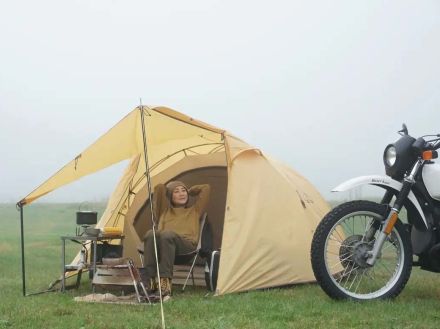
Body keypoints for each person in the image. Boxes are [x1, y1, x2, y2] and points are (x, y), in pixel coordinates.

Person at [142, 180, 210, 299]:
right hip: (164, 248)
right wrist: (168, 189)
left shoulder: (195, 210)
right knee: (150, 234)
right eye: (176, 192)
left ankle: (165, 284)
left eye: (183, 191)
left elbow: (206, 187)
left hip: (186, 247)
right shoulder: (164, 211)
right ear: (169, 196)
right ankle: (150, 282)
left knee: (167, 234)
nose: (182, 194)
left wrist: (190, 191)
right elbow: (159, 188)